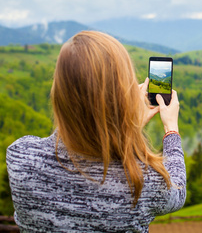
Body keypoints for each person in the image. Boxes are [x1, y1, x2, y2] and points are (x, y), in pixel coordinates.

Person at [6, 31, 186, 232]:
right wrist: (170, 129)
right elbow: (177, 191)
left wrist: (124, 122)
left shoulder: (21, 159)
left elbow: (71, 133)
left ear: (59, 92)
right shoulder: (143, 182)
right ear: (122, 98)